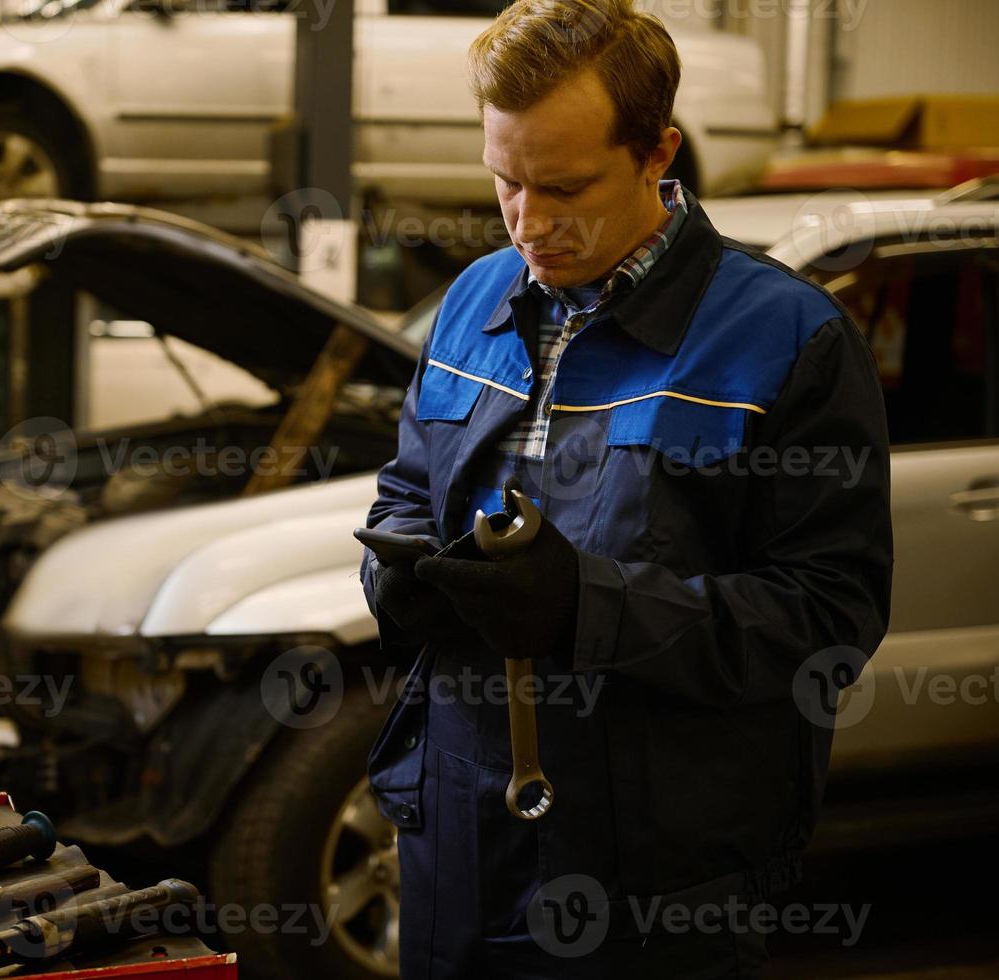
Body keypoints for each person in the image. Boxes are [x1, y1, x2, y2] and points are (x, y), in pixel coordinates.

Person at [357, 1, 894, 976]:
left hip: (654, 882)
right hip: (457, 841)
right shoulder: (475, 298)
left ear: (658, 154)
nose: (529, 222)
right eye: (504, 182)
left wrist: (587, 607)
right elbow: (407, 483)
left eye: (564, 187)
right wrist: (390, 567)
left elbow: (827, 616)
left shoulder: (784, 340)